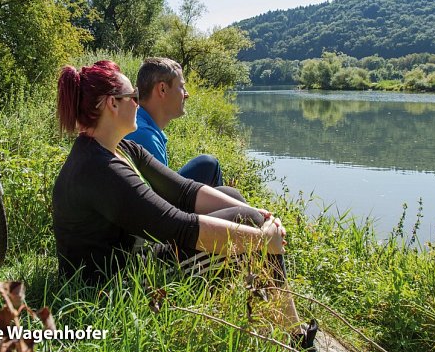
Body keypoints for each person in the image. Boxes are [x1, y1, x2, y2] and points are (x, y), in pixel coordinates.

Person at [52, 60, 317, 350]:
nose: (139, 105)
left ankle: (269, 311)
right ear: (112, 105)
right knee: (251, 228)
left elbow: (185, 191)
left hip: (136, 256)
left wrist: (261, 214)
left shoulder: (120, 148)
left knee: (236, 200)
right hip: (118, 283)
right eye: (134, 98)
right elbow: (177, 226)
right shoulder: (99, 169)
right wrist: (262, 237)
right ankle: (294, 335)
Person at [126, 57, 224, 188]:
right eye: (182, 86)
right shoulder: (144, 135)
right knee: (208, 164)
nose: (187, 94)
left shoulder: (141, 124)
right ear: (162, 89)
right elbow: (159, 201)